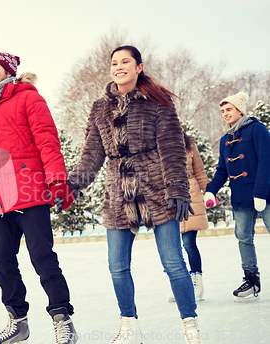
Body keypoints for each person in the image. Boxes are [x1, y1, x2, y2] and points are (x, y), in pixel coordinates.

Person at [68, 45, 201, 344]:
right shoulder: (99, 109)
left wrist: (178, 188)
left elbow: (172, 149)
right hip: (118, 193)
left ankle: (189, 325)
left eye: (125, 61)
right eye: (114, 62)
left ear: (139, 67)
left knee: (174, 264)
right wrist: (74, 183)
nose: (118, 66)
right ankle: (129, 325)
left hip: (156, 190)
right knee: (117, 267)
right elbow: (92, 154)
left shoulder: (158, 102)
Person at [0, 52, 78, 344]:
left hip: (30, 192)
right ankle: (18, 322)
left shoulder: (29, 99)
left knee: (42, 258)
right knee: (2, 261)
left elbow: (47, 139)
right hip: (2, 199)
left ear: (8, 72)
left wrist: (57, 179)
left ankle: (61, 318)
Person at [204, 92, 270, 302]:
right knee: (243, 238)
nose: (225, 114)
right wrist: (211, 190)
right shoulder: (226, 139)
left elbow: (266, 162)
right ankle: (252, 280)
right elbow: (222, 171)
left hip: (264, 194)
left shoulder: (256, 129)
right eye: (222, 111)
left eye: (229, 109)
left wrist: (260, 193)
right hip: (241, 197)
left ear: (240, 109)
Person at [167, 131, 210, 303]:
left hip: (191, 198)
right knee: (173, 247)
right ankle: (181, 286)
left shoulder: (189, 145)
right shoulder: (159, 147)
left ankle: (196, 284)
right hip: (170, 199)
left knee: (188, 243)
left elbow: (200, 172)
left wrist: (210, 192)